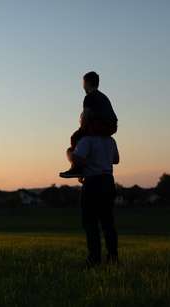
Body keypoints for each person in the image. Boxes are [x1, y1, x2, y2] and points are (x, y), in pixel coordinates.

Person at [70, 130, 120, 268]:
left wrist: (73, 156)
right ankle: (113, 257)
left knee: (90, 222)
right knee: (108, 222)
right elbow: (116, 159)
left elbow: (77, 158)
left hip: (93, 182)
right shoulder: (110, 140)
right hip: (108, 181)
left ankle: (94, 258)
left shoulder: (87, 140)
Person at [59, 71, 118, 178]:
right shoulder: (104, 97)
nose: (83, 86)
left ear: (87, 83)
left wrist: (82, 129)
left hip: (100, 126)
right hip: (111, 127)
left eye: (83, 83)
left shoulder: (89, 97)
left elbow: (86, 115)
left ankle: (76, 168)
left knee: (75, 137)